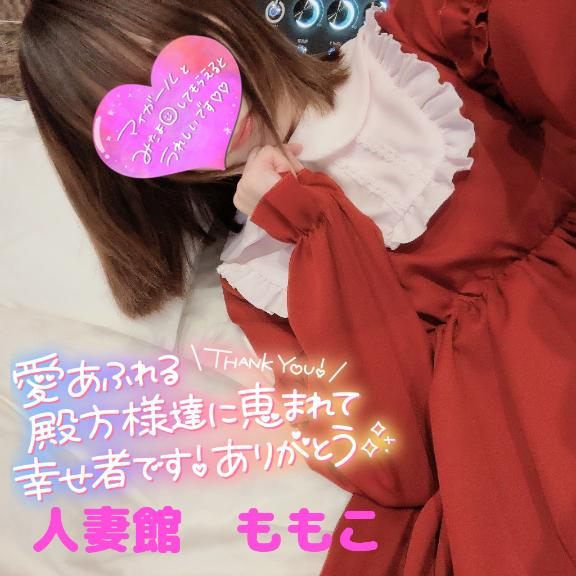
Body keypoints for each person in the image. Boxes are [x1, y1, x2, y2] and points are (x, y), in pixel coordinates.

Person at [19, 0, 576, 574]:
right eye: (146, 123)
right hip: (510, 441)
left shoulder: (408, 49)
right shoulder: (261, 273)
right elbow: (394, 464)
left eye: (180, 57)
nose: (198, 114)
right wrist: (313, 229)